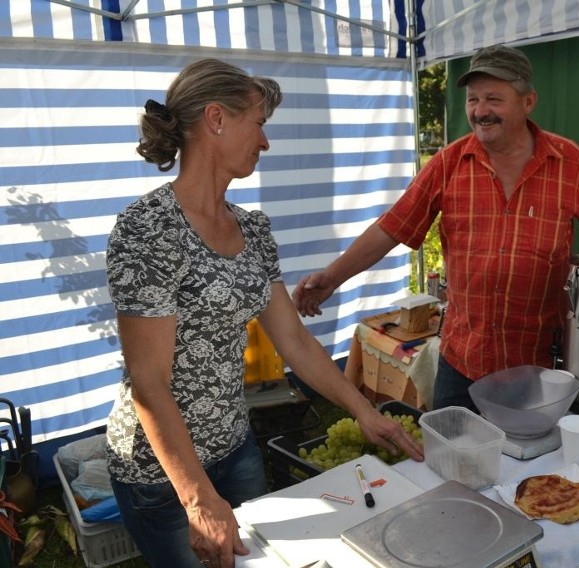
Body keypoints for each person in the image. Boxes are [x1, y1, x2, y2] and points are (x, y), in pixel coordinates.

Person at [105, 58, 423, 568]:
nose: (266, 142)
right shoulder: (147, 230)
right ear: (216, 119)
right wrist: (197, 498)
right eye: (260, 123)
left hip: (235, 447)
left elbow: (294, 341)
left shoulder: (251, 229)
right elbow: (148, 381)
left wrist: (363, 410)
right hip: (164, 476)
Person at [293, 44, 579, 411]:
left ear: (528, 102)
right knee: (456, 465)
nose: (480, 111)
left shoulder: (568, 161)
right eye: (473, 100)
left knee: (533, 475)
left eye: (493, 99)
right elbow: (391, 228)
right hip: (464, 361)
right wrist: (333, 276)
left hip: (539, 363)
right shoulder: (449, 162)